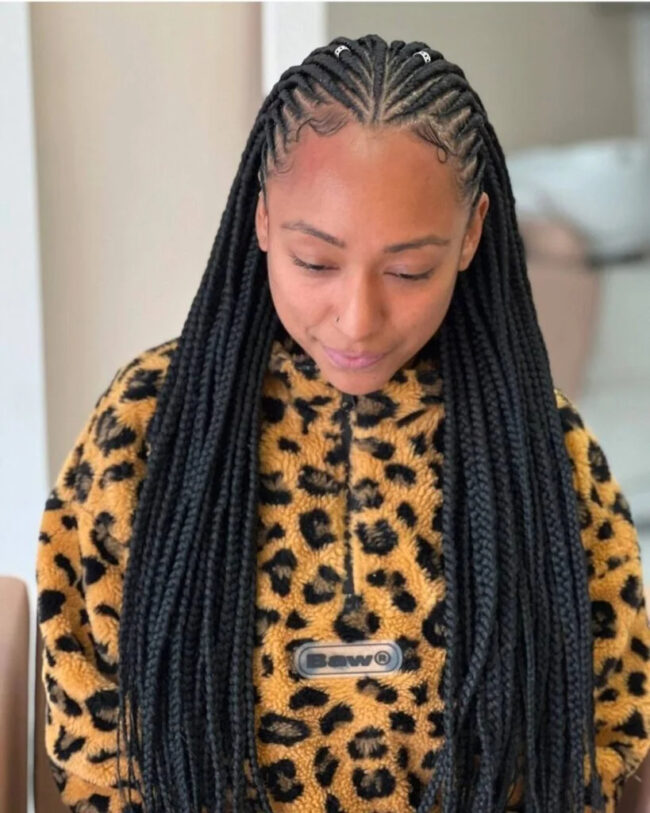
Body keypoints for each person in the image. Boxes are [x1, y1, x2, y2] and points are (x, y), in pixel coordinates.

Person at [35, 33, 650, 813]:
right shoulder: (149, 427)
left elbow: (603, 736)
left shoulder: (536, 446)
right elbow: (95, 742)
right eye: (316, 263)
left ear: (471, 234)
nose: (357, 319)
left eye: (409, 270)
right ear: (262, 218)